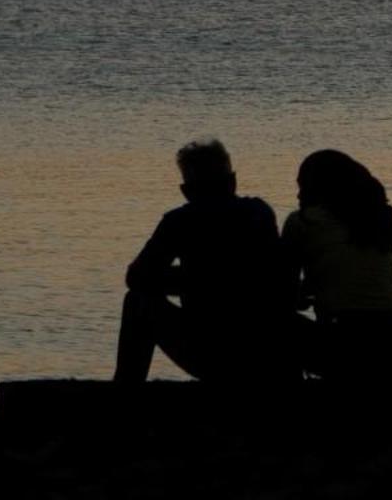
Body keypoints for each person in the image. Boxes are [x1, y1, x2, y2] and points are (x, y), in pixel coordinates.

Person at [115, 139, 297, 384]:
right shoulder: (259, 212)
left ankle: (126, 387)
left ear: (186, 190)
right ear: (232, 181)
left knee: (137, 303)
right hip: (265, 348)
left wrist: (191, 278)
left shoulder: (179, 222)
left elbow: (136, 278)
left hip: (210, 353)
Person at [283, 149, 392, 379]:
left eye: (302, 186)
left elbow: (282, 291)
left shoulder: (302, 222)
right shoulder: (380, 220)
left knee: (270, 321)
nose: (298, 195)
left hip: (344, 346)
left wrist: (301, 296)